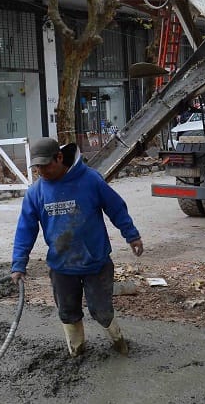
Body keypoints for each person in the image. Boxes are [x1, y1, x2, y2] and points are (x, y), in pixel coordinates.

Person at [11, 137, 144, 357]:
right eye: (37, 167)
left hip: (96, 261)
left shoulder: (90, 180)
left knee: (101, 311)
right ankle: (77, 351)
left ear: (59, 157)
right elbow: (25, 229)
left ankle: (119, 343)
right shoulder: (36, 193)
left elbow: (116, 208)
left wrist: (132, 235)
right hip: (61, 265)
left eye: (45, 165)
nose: (41, 171)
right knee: (68, 312)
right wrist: (18, 263)